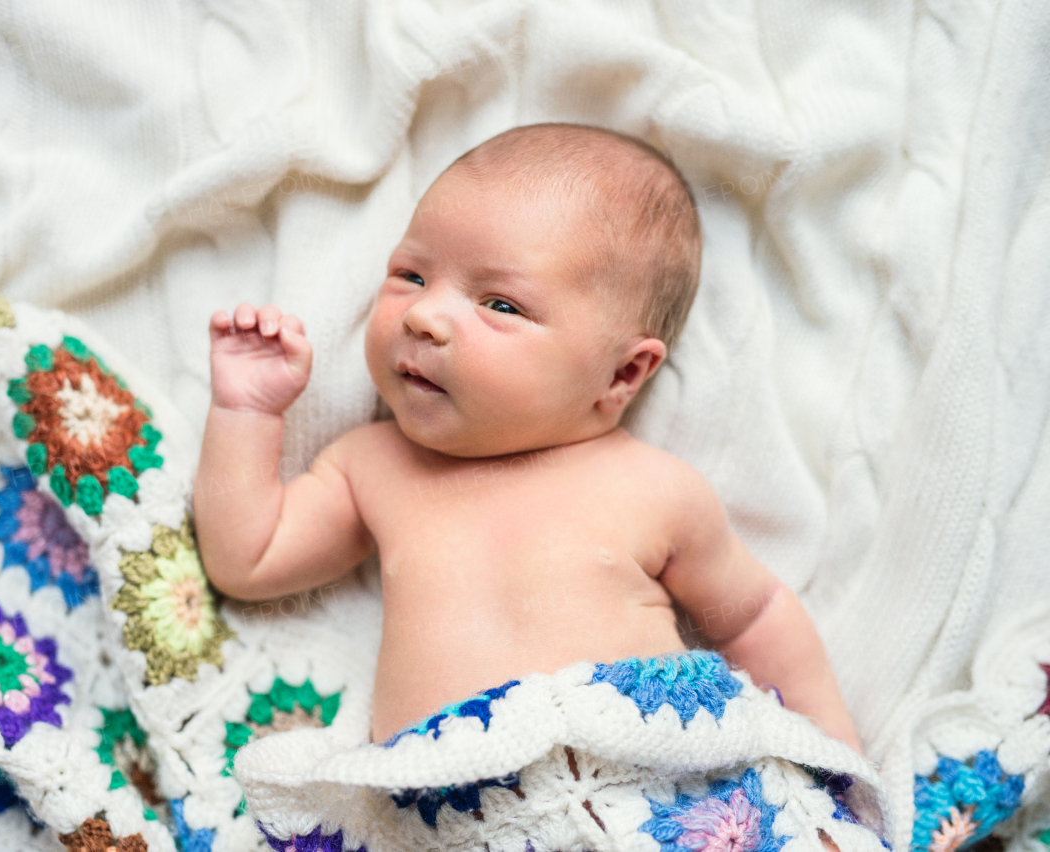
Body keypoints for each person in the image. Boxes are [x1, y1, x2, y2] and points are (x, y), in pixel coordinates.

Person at [192, 123, 862, 759]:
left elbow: (753, 616)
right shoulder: (374, 465)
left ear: (623, 373)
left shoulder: (654, 488)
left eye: (500, 305)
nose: (425, 316)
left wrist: (833, 764)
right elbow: (248, 560)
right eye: (412, 276)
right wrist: (246, 413)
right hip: (450, 808)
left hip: (645, 792)